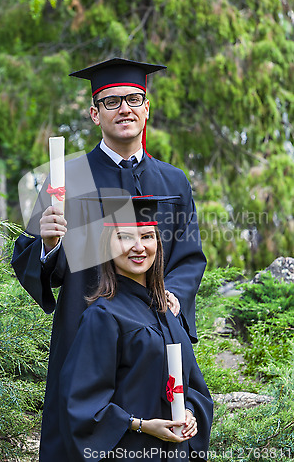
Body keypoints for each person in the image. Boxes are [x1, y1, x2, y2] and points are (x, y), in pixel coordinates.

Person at [11, 58, 207, 461]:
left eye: (134, 99)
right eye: (112, 101)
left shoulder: (173, 181)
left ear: (147, 108)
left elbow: (188, 258)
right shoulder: (68, 178)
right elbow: (36, 263)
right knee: (80, 436)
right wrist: (49, 244)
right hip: (86, 332)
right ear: (94, 113)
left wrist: (173, 295)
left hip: (151, 341)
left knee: (160, 437)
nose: (125, 108)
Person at [59, 195, 213, 461]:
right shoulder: (103, 316)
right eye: (125, 237)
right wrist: (141, 425)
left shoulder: (166, 313)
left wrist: (189, 413)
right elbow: (81, 406)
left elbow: (194, 387)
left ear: (158, 243)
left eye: (147, 236)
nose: (139, 247)